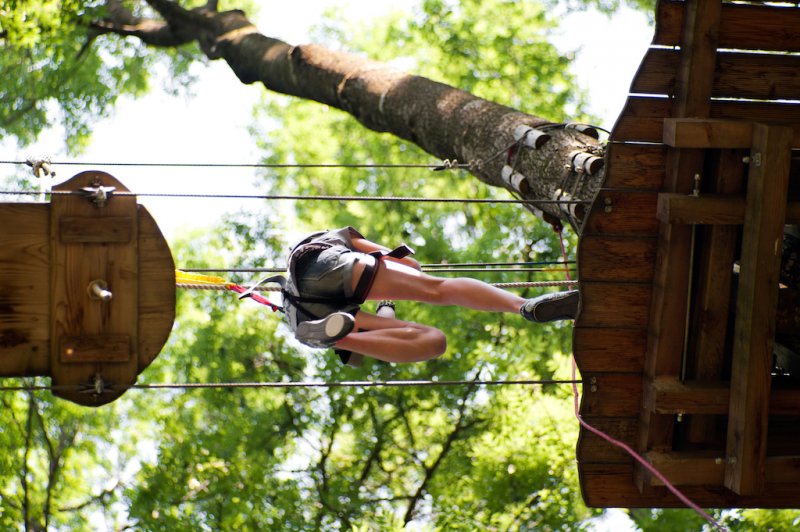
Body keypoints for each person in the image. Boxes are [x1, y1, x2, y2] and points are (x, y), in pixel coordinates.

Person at [277, 226, 579, 364]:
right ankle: (524, 306)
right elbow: (409, 265)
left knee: (434, 341)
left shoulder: (298, 276)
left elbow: (359, 353)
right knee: (437, 289)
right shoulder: (333, 238)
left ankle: (336, 339)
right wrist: (398, 277)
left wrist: (386, 302)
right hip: (328, 267)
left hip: (309, 313)